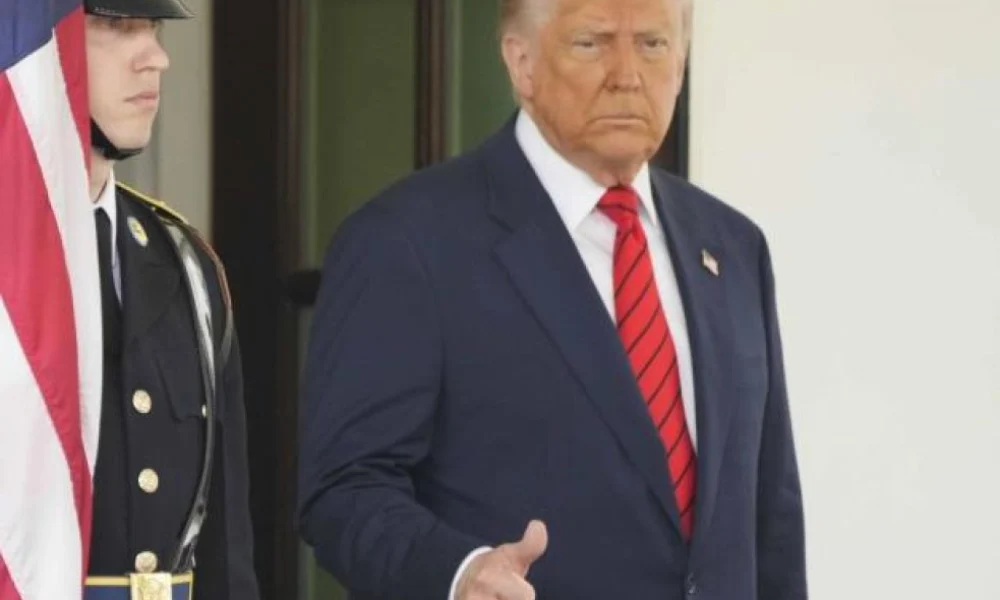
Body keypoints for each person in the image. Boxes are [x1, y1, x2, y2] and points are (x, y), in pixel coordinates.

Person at [298, 0, 806, 598]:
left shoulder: (733, 246)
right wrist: (459, 572)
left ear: (682, 60)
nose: (627, 75)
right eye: (592, 43)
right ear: (521, 63)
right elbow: (344, 490)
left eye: (652, 44)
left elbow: (770, 518)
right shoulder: (407, 241)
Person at [84, 1, 259, 598]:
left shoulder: (185, 262)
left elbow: (225, 555)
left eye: (153, 28)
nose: (156, 58)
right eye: (116, 26)